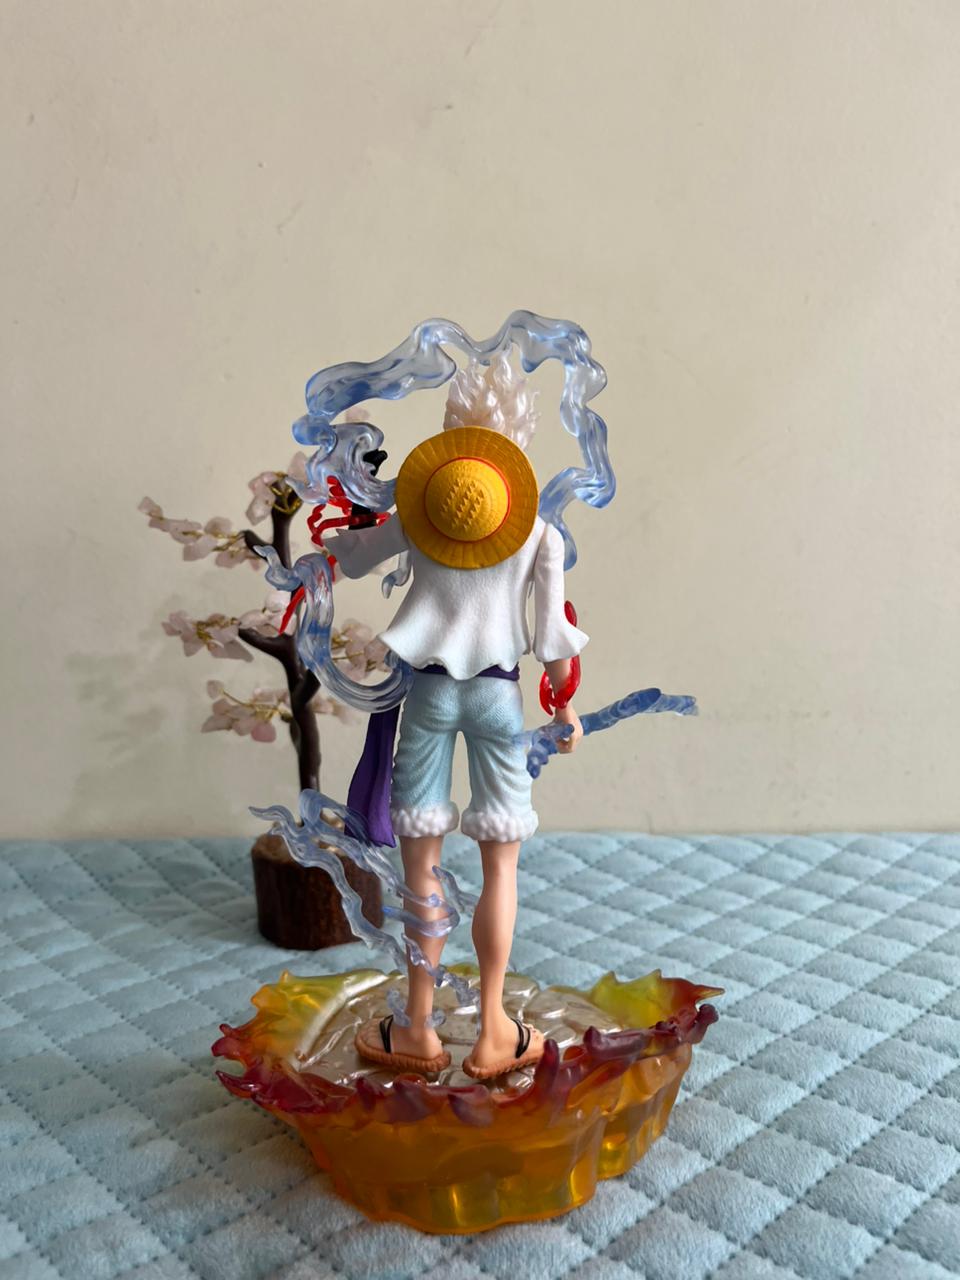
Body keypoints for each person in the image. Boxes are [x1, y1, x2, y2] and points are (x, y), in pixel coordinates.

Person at [331, 358, 588, 1079]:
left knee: (422, 861)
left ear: (452, 437)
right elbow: (554, 645)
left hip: (429, 694)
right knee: (500, 862)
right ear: (516, 446)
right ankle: (495, 1028)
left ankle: (417, 1025)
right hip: (500, 698)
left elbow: (353, 558)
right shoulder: (540, 533)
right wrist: (565, 705)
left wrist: (335, 537)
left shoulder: (421, 515)